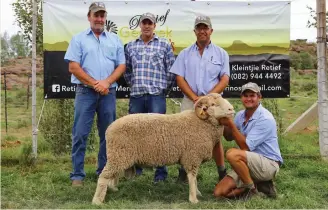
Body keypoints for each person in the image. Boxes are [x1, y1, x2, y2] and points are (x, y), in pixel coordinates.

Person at [64, 2, 126, 186]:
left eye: (102, 15)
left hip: (108, 92)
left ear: (105, 18)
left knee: (109, 134)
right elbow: (73, 67)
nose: (99, 19)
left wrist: (106, 82)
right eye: (96, 15)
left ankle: (103, 173)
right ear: (89, 16)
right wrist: (95, 83)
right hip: (85, 92)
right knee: (80, 133)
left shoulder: (114, 39)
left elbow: (121, 65)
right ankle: (77, 175)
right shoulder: (78, 39)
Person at [169, 15, 230, 182]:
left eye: (205, 28)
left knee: (216, 138)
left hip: (214, 103)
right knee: (184, 137)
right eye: (199, 28)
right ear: (194, 31)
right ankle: (183, 172)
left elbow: (225, 78)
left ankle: (221, 172)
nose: (202, 31)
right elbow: (179, 78)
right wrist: (195, 97)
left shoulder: (221, 53)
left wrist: (208, 98)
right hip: (191, 100)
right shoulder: (185, 54)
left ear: (211, 30)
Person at [124, 12, 176, 183]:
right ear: (140, 25)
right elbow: (127, 71)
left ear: (155, 25)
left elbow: (171, 70)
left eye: (150, 23)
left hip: (156, 96)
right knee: (135, 133)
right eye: (144, 23)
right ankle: (136, 168)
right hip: (137, 95)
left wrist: (163, 89)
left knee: (159, 135)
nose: (147, 26)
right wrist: (134, 85)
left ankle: (160, 173)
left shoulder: (164, 45)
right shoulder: (130, 46)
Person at [213, 82, 283, 199]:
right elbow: (229, 137)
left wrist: (231, 124)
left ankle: (252, 189)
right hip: (246, 163)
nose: (248, 99)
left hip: (268, 163)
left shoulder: (265, 118)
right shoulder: (240, 115)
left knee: (232, 154)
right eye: (245, 96)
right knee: (218, 193)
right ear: (241, 98)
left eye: (252, 95)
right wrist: (221, 118)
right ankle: (260, 185)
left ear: (259, 97)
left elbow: (245, 147)